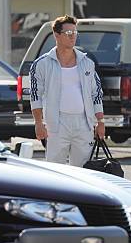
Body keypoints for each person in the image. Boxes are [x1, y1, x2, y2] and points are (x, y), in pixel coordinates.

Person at [29, 14, 105, 166]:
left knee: (83, 170)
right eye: (69, 33)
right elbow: (35, 95)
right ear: (56, 35)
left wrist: (100, 121)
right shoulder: (42, 64)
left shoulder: (87, 62)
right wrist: (38, 123)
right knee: (55, 169)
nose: (73, 37)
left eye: (75, 33)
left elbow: (96, 93)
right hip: (56, 123)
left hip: (84, 123)